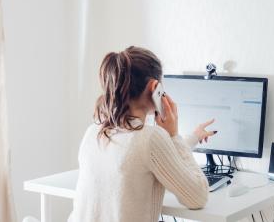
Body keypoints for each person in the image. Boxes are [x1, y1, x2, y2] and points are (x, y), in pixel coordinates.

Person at [69, 46, 216, 222]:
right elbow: (198, 197)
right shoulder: (151, 138)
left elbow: (138, 154)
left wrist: (193, 138)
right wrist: (173, 135)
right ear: (155, 87)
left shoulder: (94, 132)